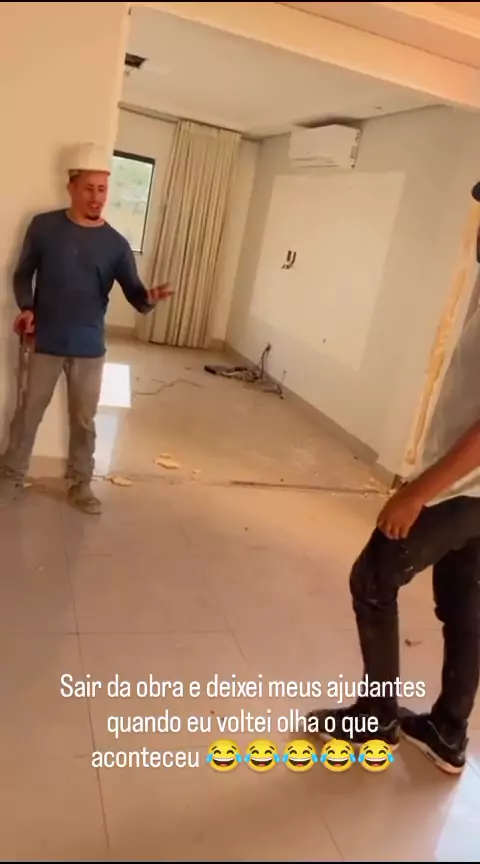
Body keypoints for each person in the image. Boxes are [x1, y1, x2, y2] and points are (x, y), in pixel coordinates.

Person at [308, 186, 480, 775]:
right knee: (465, 605)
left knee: (373, 578)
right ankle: (448, 732)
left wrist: (417, 491)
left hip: (461, 491)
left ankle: (377, 717)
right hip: (470, 493)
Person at [0, 143, 173, 515]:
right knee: (27, 414)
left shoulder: (116, 245)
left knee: (84, 421)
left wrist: (151, 297)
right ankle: (11, 476)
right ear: (72, 188)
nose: (97, 197)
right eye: (90, 189)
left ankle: (80, 484)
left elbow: (137, 298)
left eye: (103, 189)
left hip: (89, 346)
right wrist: (27, 308)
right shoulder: (44, 227)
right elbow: (22, 274)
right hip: (43, 340)